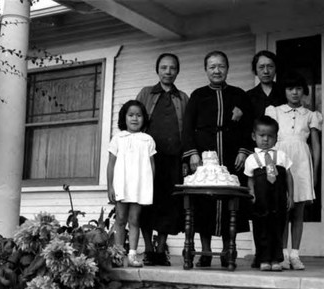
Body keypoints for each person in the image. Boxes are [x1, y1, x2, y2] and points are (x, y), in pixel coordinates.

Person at [182, 50, 253, 268]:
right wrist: (192, 153)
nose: (217, 70)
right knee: (205, 203)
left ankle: (226, 251)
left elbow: (249, 125)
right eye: (212, 66)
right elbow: (187, 127)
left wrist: (243, 150)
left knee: (229, 203)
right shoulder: (198, 95)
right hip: (205, 157)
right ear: (206, 70)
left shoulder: (239, 94)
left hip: (232, 156)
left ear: (227, 68)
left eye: (221, 66)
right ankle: (205, 251)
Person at [265, 71, 321, 270]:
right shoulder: (275, 111)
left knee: (298, 211)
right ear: (284, 91)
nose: (295, 93)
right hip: (281, 160)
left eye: (298, 89)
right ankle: (281, 255)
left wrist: (314, 172)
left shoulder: (311, 115)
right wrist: (270, 168)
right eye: (290, 89)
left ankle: (295, 254)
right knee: (283, 210)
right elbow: (268, 142)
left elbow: (315, 146)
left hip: (302, 163)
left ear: (304, 91)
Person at [137, 53, 189, 266]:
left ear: (178, 71)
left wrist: (186, 157)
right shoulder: (146, 93)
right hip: (149, 159)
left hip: (173, 159)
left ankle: (161, 249)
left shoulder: (183, 97)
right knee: (147, 202)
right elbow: (134, 120)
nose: (168, 72)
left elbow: (187, 130)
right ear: (157, 70)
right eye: (164, 67)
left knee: (169, 203)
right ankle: (149, 248)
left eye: (172, 68)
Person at [107, 100, 156, 267]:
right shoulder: (118, 138)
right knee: (120, 218)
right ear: (124, 118)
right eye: (131, 115)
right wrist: (110, 186)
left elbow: (152, 166)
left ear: (144, 118)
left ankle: (132, 255)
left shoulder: (147, 139)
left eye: (139, 115)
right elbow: (111, 164)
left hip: (140, 186)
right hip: (122, 184)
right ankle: (118, 254)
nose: (135, 119)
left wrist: (149, 187)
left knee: (135, 219)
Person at [244, 116, 294, 271]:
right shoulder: (252, 159)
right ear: (254, 136)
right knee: (261, 227)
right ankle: (263, 259)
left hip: (278, 198)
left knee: (278, 227)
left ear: (276, 138)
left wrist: (290, 196)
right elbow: (250, 180)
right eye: (261, 136)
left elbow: (288, 176)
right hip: (261, 200)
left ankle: (276, 259)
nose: (266, 140)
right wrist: (252, 195)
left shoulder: (281, 156)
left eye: (270, 136)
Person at [247, 50, 287, 120]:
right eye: (261, 67)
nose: (266, 71)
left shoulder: (285, 92)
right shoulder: (248, 96)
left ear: (276, 68)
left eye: (270, 66)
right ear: (255, 70)